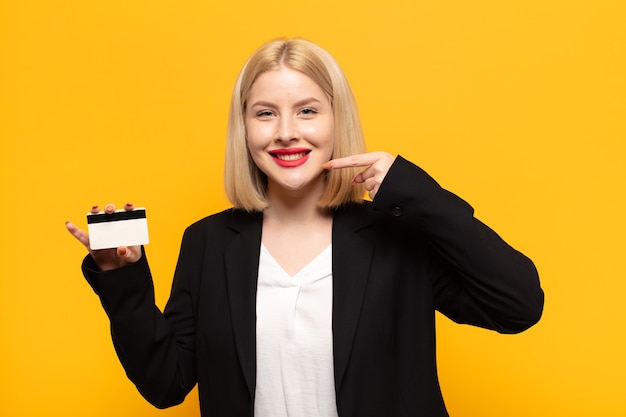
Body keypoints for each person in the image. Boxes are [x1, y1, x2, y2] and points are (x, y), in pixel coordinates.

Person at [65, 38, 544, 417]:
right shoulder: (209, 242)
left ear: (338, 119)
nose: (286, 131)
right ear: (244, 128)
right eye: (265, 113)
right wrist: (119, 278)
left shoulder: (397, 234)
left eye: (308, 110)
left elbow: (517, 305)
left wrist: (415, 192)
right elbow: (165, 385)